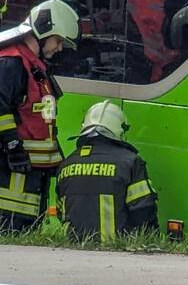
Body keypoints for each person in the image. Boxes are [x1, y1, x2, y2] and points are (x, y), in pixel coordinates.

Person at [0, 0, 80, 233]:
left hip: (29, 178)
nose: (59, 48)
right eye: (58, 41)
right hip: (11, 181)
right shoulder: (11, 63)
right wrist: (13, 146)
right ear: (45, 31)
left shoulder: (34, 66)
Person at [56, 101, 159, 240]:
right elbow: (144, 210)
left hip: (72, 251)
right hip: (115, 253)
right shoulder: (130, 162)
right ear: (119, 129)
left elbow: (61, 211)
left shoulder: (67, 164)